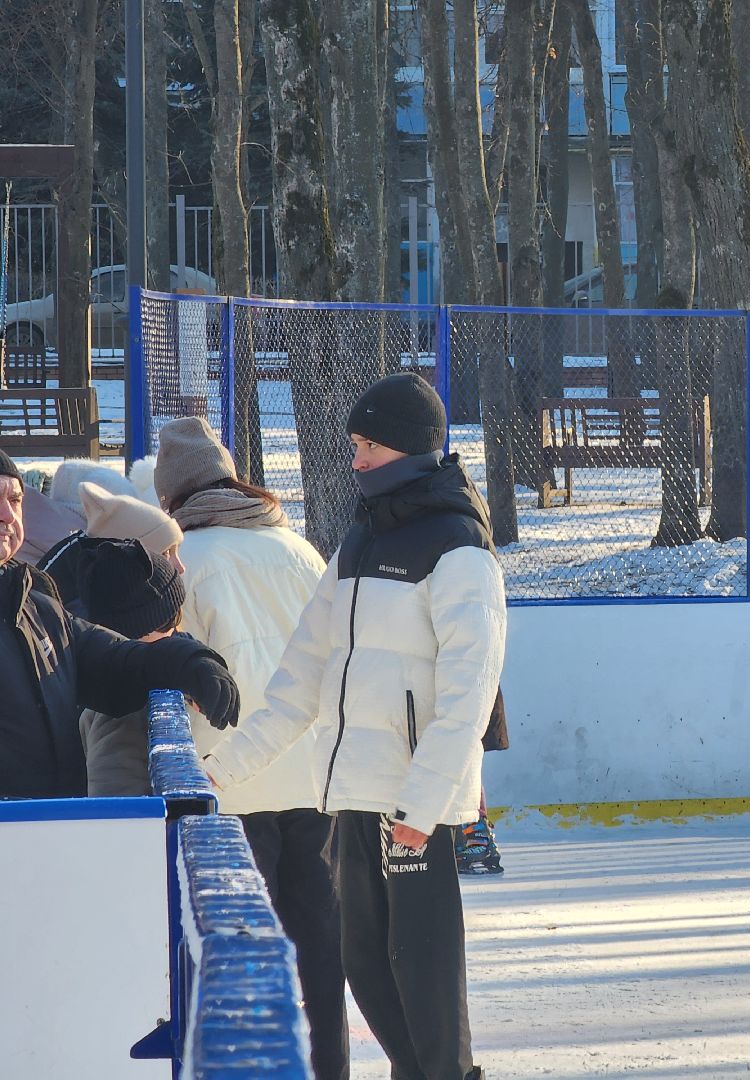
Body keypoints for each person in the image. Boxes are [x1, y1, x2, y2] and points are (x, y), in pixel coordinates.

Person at [203, 373, 504, 1080]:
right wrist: (223, 770)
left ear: (407, 447)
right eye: (354, 444)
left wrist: (425, 804)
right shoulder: (360, 540)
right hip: (353, 794)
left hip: (412, 800)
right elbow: (299, 678)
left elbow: (469, 693)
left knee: (422, 968)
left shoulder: (459, 546)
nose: (357, 459)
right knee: (364, 961)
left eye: (369, 444)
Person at [0, 441, 240, 800]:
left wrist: (187, 661)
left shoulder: (29, 595)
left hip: (44, 831)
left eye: (14, 499)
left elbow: (109, 660)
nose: (6, 514)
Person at [152, 416, 348, 1080]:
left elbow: (181, 675)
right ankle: (331, 1070)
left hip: (230, 781)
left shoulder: (185, 561)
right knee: (322, 947)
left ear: (170, 496)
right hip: (313, 777)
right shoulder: (300, 550)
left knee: (238, 950)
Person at [77, 539, 189, 797]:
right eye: (172, 621)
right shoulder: (124, 703)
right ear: (142, 629)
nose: (176, 632)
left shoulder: (123, 679)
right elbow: (114, 795)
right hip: (139, 831)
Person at [39, 481, 186, 611]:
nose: (180, 568)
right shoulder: (85, 614)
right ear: (128, 557)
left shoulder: (97, 596)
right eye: (166, 553)